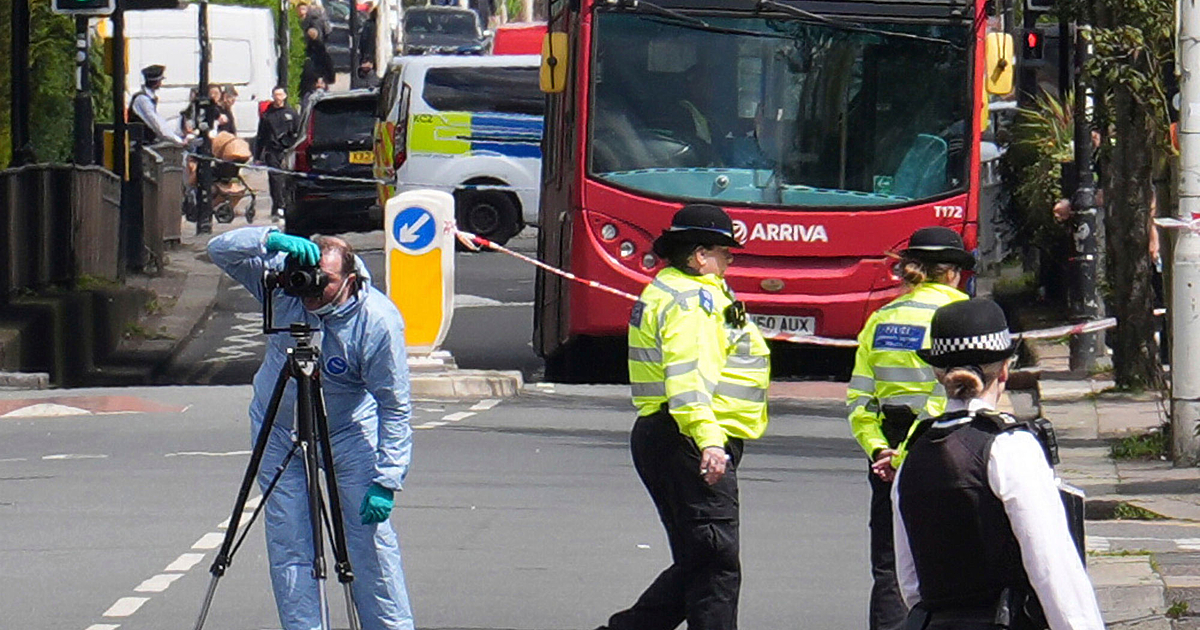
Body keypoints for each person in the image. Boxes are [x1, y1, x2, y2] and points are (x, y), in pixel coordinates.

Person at [207, 227, 415, 630]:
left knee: (369, 544)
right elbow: (219, 250)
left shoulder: (377, 322)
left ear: (350, 281)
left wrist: (387, 479)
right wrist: (269, 239)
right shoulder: (285, 284)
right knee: (289, 544)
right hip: (278, 427)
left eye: (324, 280)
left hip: (347, 431)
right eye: (306, 276)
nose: (310, 288)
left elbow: (394, 405)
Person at [599, 204, 771, 630]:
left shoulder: (668, 288)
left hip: (669, 434)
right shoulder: (695, 300)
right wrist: (710, 440)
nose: (730, 260)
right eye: (724, 252)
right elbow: (689, 379)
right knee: (715, 567)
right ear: (699, 256)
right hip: (690, 436)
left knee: (699, 561)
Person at [893, 298, 1105, 630]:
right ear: (1004, 370)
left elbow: (910, 583)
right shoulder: (1010, 447)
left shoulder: (913, 455)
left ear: (938, 373)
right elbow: (1052, 566)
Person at [846, 226, 973, 630]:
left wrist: (880, 451)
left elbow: (860, 400)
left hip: (887, 448)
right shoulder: (963, 316)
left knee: (889, 565)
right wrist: (907, 453)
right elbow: (953, 393)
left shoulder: (881, 319)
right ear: (952, 272)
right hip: (948, 445)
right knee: (951, 561)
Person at [254, 87, 300, 220]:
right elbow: (261, 136)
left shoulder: (291, 113)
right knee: (275, 179)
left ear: (285, 96)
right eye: (275, 95)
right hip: (272, 150)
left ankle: (287, 205)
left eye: (280, 95)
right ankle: (277, 206)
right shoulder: (267, 115)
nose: (278, 98)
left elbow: (298, 132)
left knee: (288, 179)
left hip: (287, 151)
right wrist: (257, 156)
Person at [128, 65, 183, 145]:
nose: (161, 84)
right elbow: (156, 124)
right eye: (160, 81)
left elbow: (160, 122)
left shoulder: (147, 98)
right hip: (140, 145)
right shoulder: (143, 100)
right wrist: (177, 140)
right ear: (156, 82)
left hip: (144, 143)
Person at [300, 27, 337, 101]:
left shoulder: (306, 49)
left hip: (310, 81)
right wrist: (328, 78)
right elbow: (328, 65)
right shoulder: (321, 49)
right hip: (321, 78)